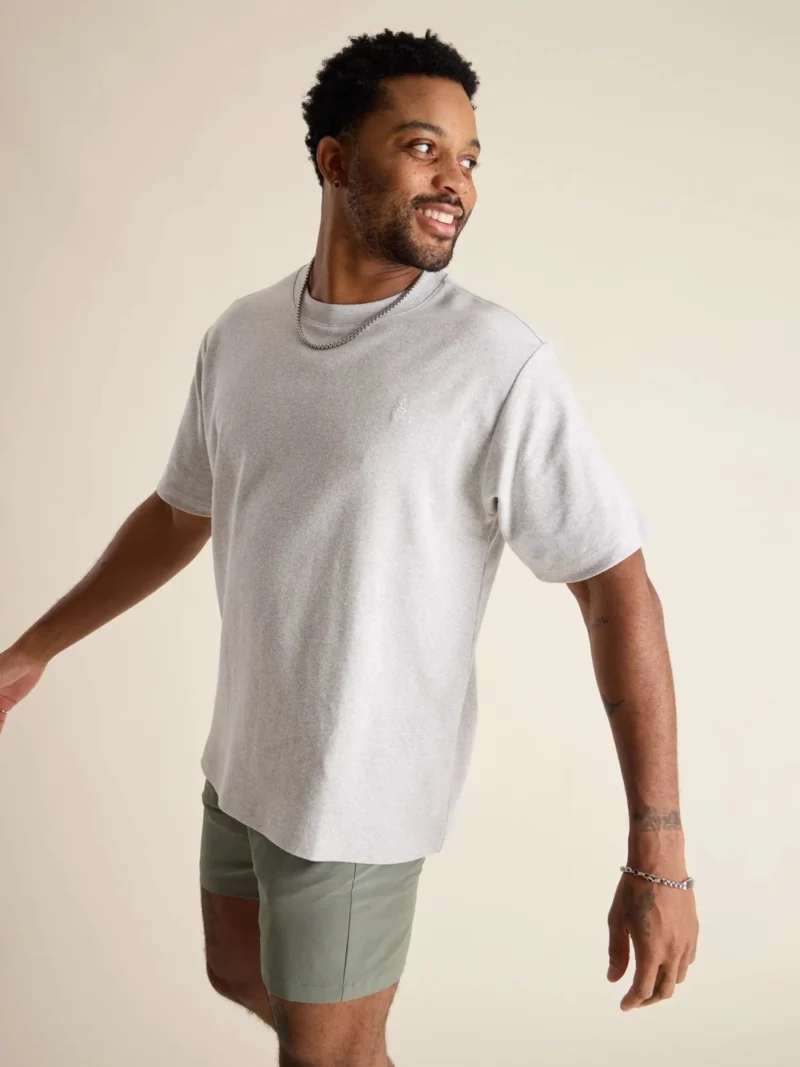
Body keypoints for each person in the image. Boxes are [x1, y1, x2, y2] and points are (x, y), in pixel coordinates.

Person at [0, 27, 698, 1067]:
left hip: (358, 795)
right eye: (423, 147)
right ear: (334, 159)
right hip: (245, 765)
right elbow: (182, 511)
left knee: (324, 1053)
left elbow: (615, 587)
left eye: (468, 158)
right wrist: (34, 648)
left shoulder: (495, 361)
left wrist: (659, 847)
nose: (456, 181)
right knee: (240, 973)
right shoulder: (240, 335)